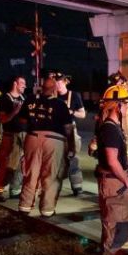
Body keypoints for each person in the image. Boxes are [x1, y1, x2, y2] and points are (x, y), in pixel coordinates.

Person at [95, 84, 128, 255]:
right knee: (116, 221)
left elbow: (119, 157)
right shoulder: (109, 128)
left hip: (120, 180)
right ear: (117, 106)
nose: (127, 108)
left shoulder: (114, 127)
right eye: (125, 105)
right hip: (114, 182)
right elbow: (111, 159)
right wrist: (126, 180)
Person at [18, 78, 75, 217]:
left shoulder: (30, 100)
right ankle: (47, 209)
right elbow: (68, 128)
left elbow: (22, 121)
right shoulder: (60, 104)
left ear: (41, 88)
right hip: (54, 140)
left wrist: (24, 140)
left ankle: (25, 206)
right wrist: (71, 146)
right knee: (51, 176)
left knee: (31, 173)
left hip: (33, 138)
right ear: (55, 89)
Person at [0, 76, 26, 202]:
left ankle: (15, 190)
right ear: (15, 83)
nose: (25, 86)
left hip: (22, 136)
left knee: (21, 166)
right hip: (10, 137)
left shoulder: (23, 98)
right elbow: (3, 119)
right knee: (8, 166)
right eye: (22, 83)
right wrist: (15, 112)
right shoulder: (5, 99)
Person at [53, 72, 86, 196]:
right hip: (56, 130)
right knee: (55, 161)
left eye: (60, 82)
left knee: (72, 159)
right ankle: (54, 188)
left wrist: (71, 112)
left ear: (65, 82)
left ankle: (77, 187)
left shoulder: (74, 96)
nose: (58, 85)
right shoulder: (52, 96)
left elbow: (83, 114)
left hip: (70, 130)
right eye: (56, 83)